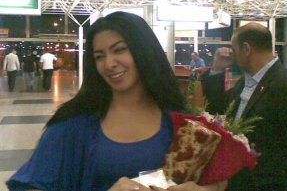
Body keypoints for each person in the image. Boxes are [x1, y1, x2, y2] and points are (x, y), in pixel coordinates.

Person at [6, 12, 227, 191]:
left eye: (119, 50)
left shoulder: (180, 119)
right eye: (99, 56)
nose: (109, 63)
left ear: (144, 51)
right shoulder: (73, 123)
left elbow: (212, 174)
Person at [201, 22, 287, 191]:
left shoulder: (285, 86)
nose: (233, 54)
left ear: (246, 49)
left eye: (234, 48)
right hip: (239, 182)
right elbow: (218, 111)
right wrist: (217, 68)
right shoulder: (245, 82)